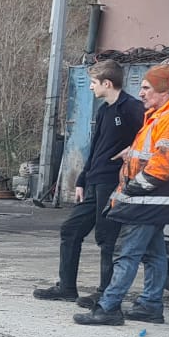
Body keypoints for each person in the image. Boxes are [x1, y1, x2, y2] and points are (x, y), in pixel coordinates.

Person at [76, 63, 169, 327]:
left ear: (165, 91)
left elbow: (163, 164)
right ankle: (150, 305)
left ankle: (109, 307)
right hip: (152, 197)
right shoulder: (160, 114)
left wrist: (131, 188)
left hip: (150, 197)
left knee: (126, 252)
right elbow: (154, 155)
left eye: (146, 88)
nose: (140, 93)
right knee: (154, 254)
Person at [34, 60, 143, 306]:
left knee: (107, 237)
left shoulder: (131, 108)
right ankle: (66, 287)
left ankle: (106, 293)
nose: (91, 87)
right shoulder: (104, 110)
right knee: (70, 229)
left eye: (94, 83)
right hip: (93, 180)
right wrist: (82, 179)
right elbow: (95, 148)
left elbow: (150, 135)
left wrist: (132, 150)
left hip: (113, 182)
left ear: (107, 83)